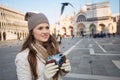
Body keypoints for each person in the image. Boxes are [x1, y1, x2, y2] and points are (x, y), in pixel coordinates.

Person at [15, 12, 71, 80]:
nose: (45, 32)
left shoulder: (54, 47)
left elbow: (59, 75)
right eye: (40, 28)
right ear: (32, 32)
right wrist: (44, 78)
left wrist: (64, 70)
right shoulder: (23, 57)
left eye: (47, 28)